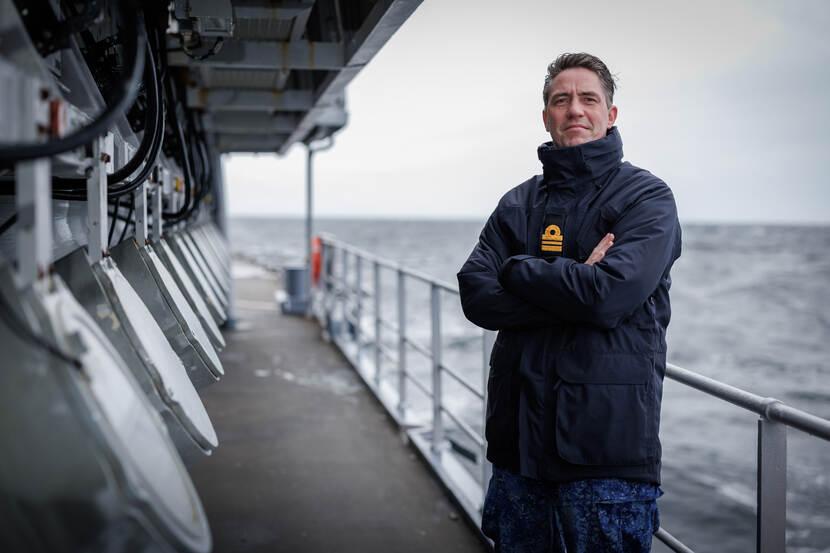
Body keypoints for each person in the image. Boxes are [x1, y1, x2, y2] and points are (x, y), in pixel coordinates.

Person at [457, 52, 682, 552]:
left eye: (588, 98)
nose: (574, 110)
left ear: (611, 113)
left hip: (605, 458)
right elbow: (475, 294)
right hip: (517, 453)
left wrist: (517, 269)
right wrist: (573, 283)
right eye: (561, 100)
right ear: (546, 116)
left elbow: (608, 298)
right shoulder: (517, 203)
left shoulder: (647, 199)